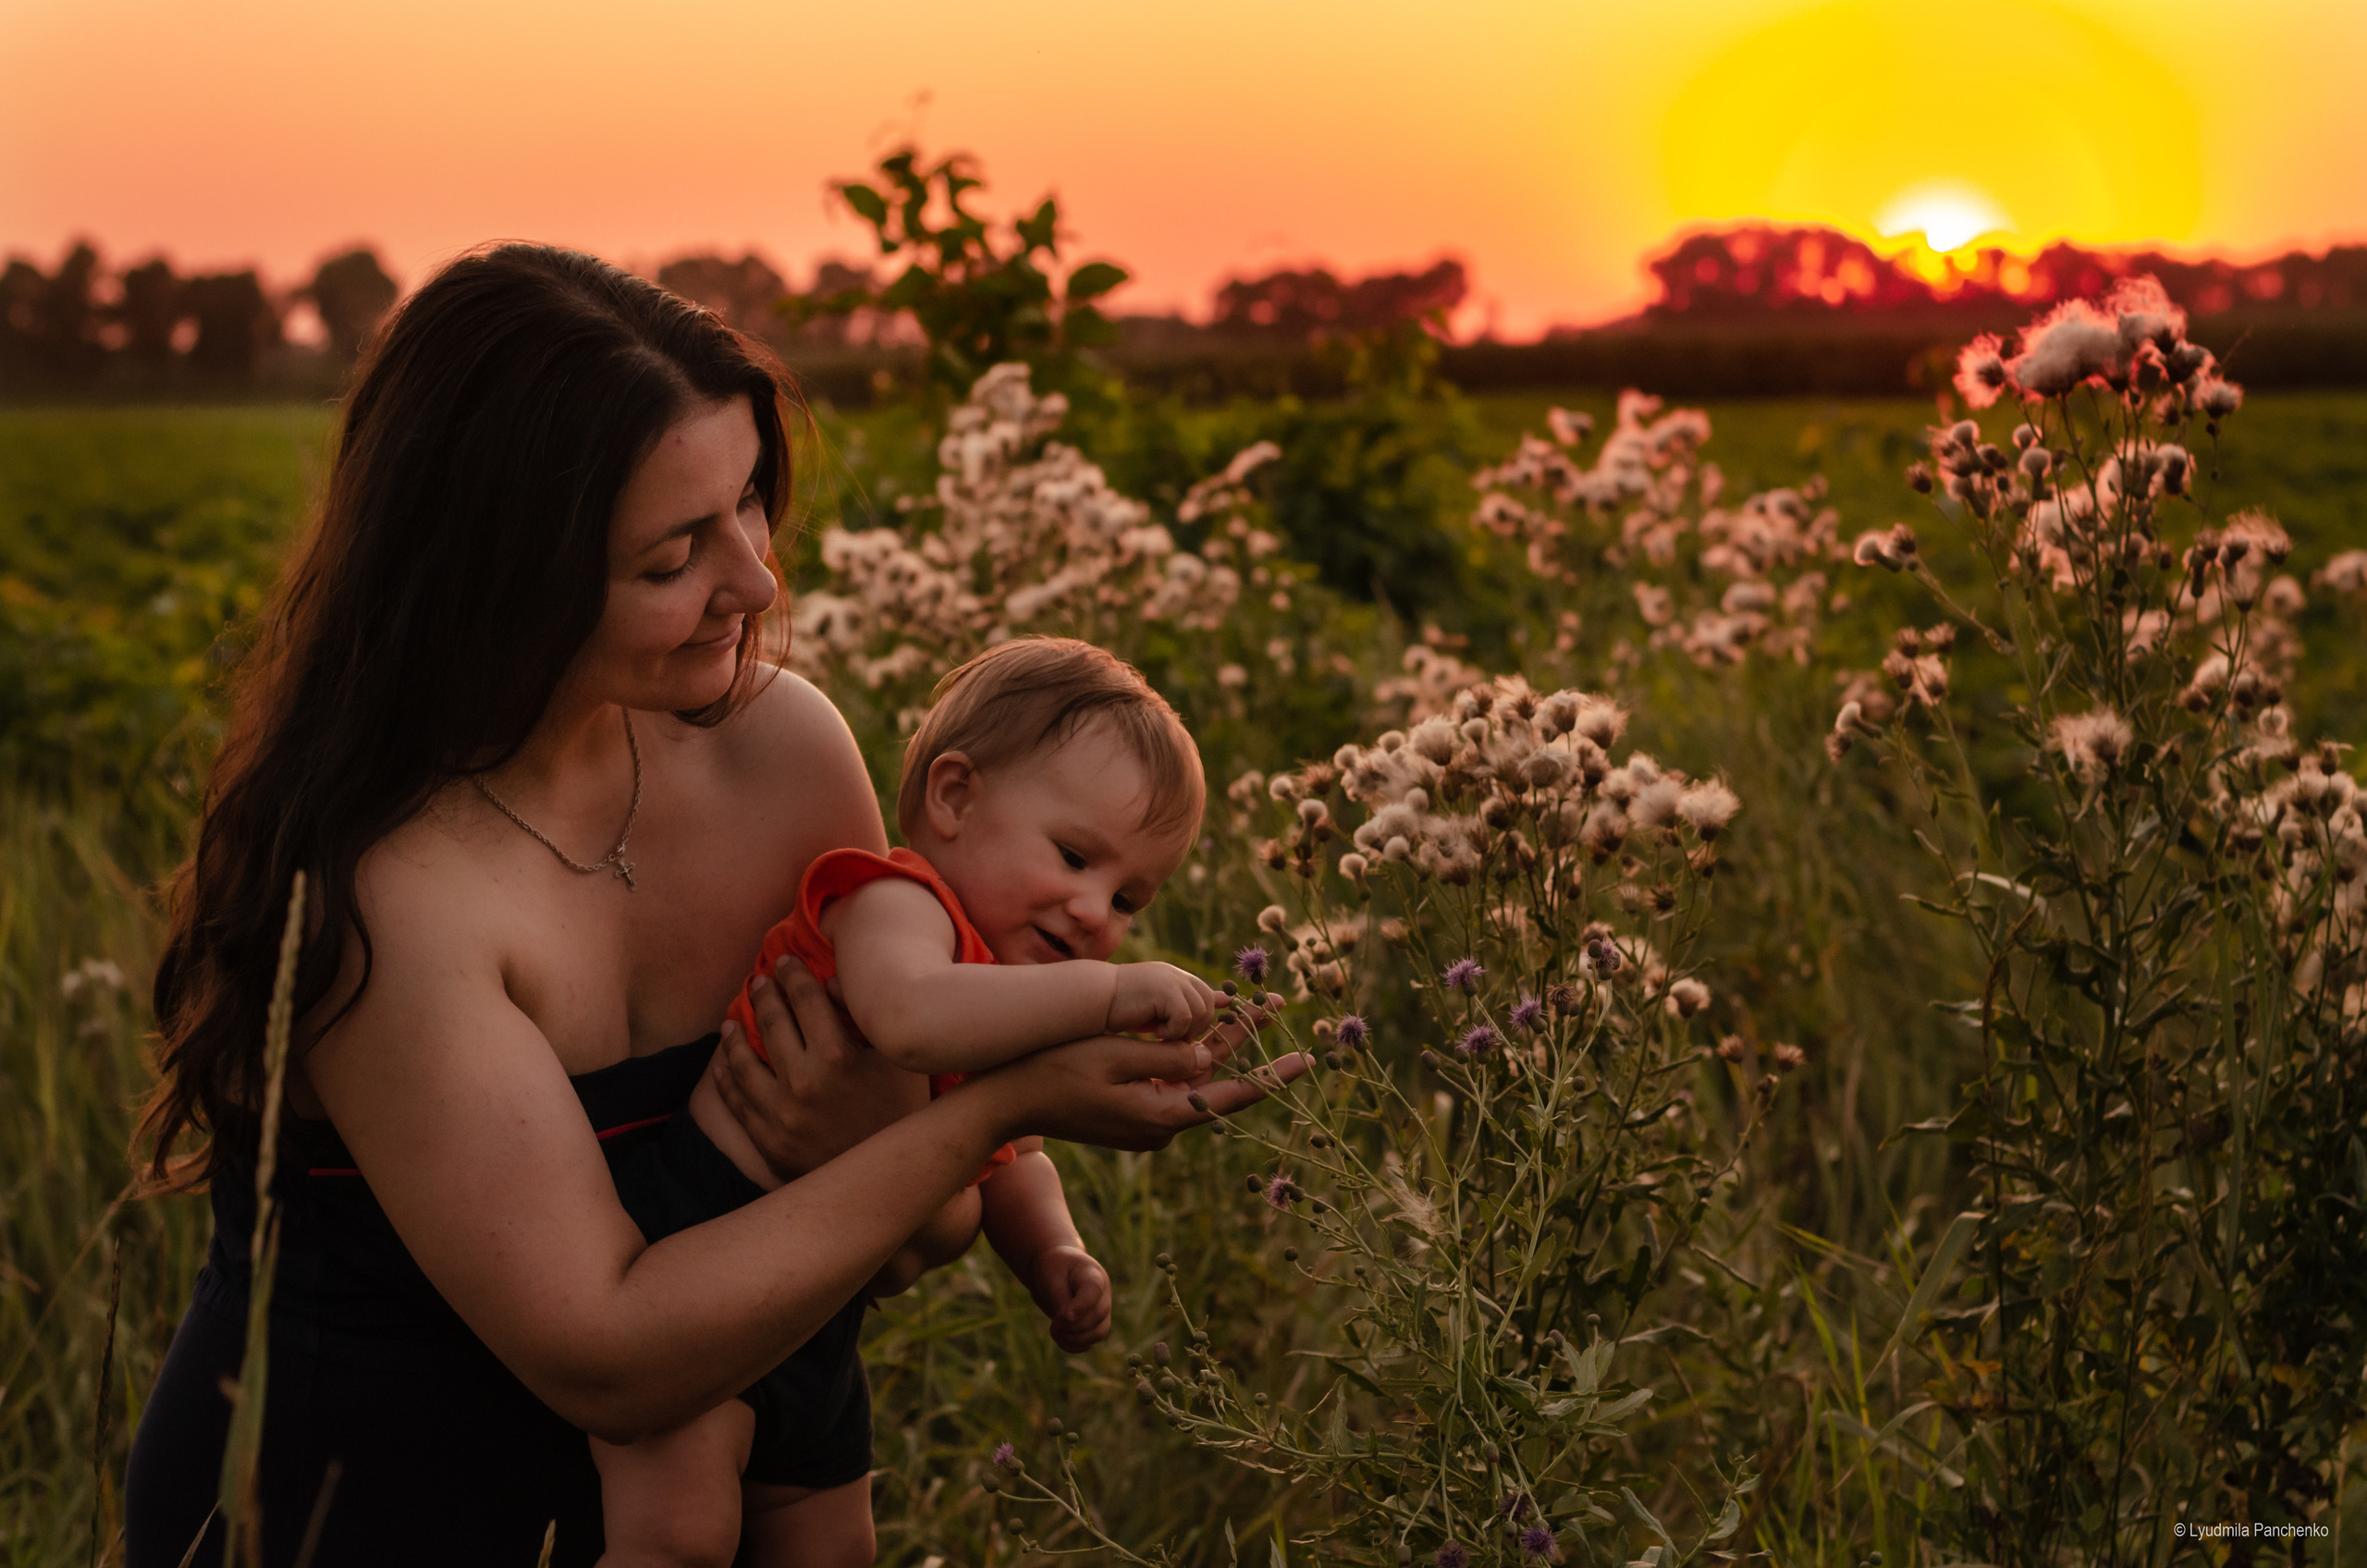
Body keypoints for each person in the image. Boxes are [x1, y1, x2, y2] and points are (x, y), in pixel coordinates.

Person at [120, 244, 1298, 1568]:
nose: (755, 582)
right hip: (355, 1513)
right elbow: (609, 1361)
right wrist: (1004, 1103)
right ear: (499, 575)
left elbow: (923, 1230)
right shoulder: (380, 887)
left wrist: (912, 1149)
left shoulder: (783, 751)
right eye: (678, 550)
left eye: (748, 502)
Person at [596, 637, 1221, 1567]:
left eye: (1128, 896)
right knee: (680, 1535)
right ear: (954, 796)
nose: (1096, 912)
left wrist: (1053, 1249)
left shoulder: (1011, 989)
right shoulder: (897, 899)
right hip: (704, 1247)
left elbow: (1017, 1151)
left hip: (820, 1305)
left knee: (837, 1548)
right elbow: (907, 1019)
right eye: (1073, 855)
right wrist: (1107, 994)